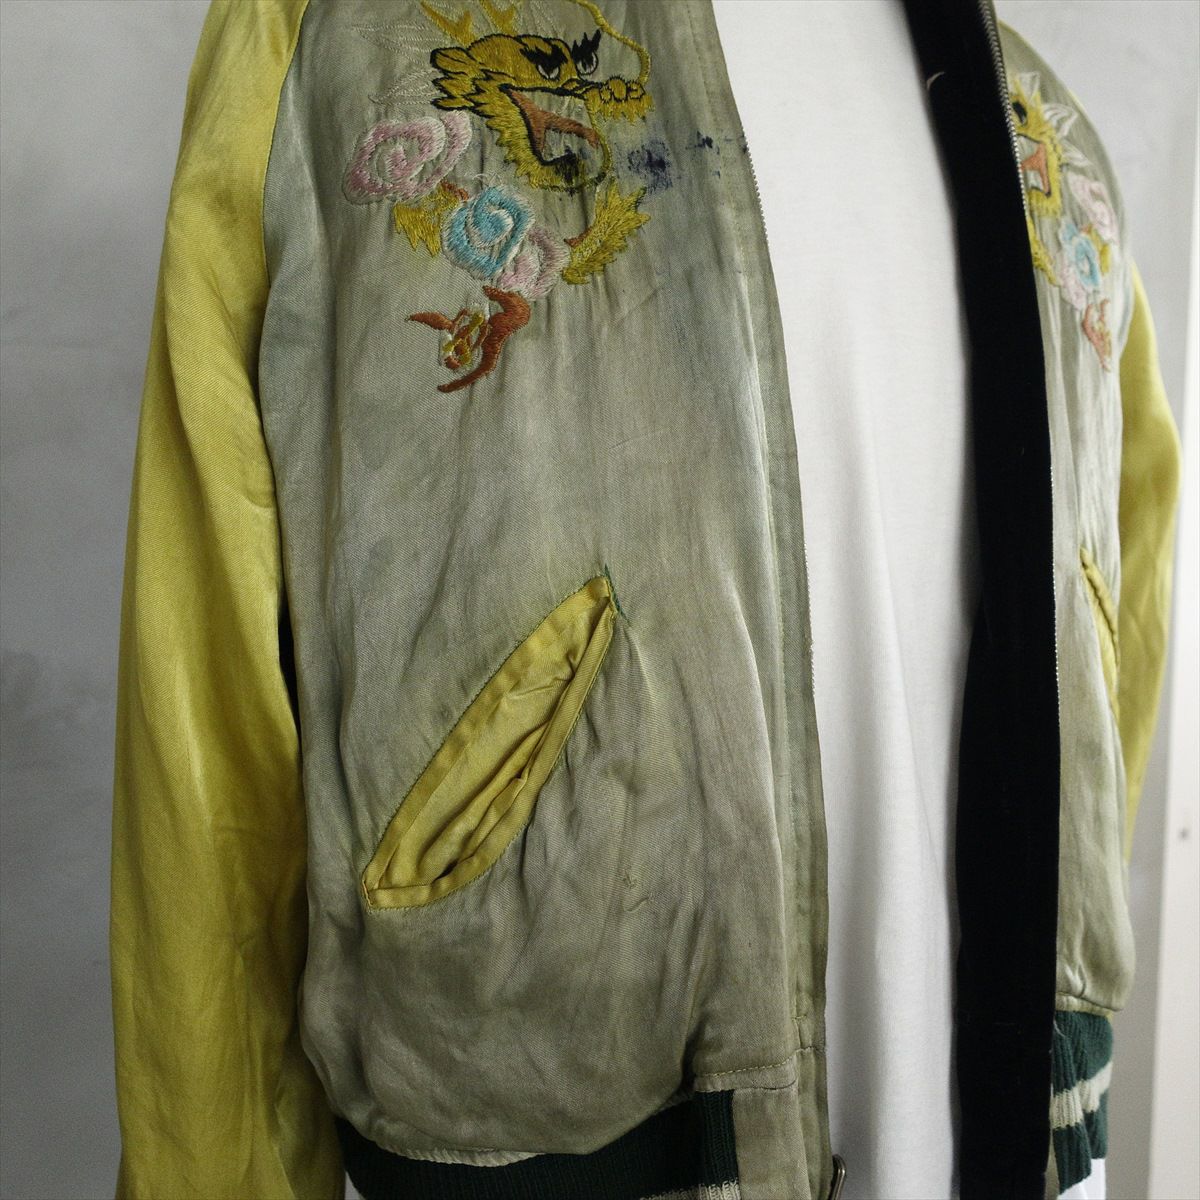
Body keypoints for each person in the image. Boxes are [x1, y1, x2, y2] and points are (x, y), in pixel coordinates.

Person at [110, 2, 1181, 1198]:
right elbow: (208, 745)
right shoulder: (344, 43)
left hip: (1025, 1140)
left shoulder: (1033, 117)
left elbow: (1114, 642)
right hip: (568, 1141)